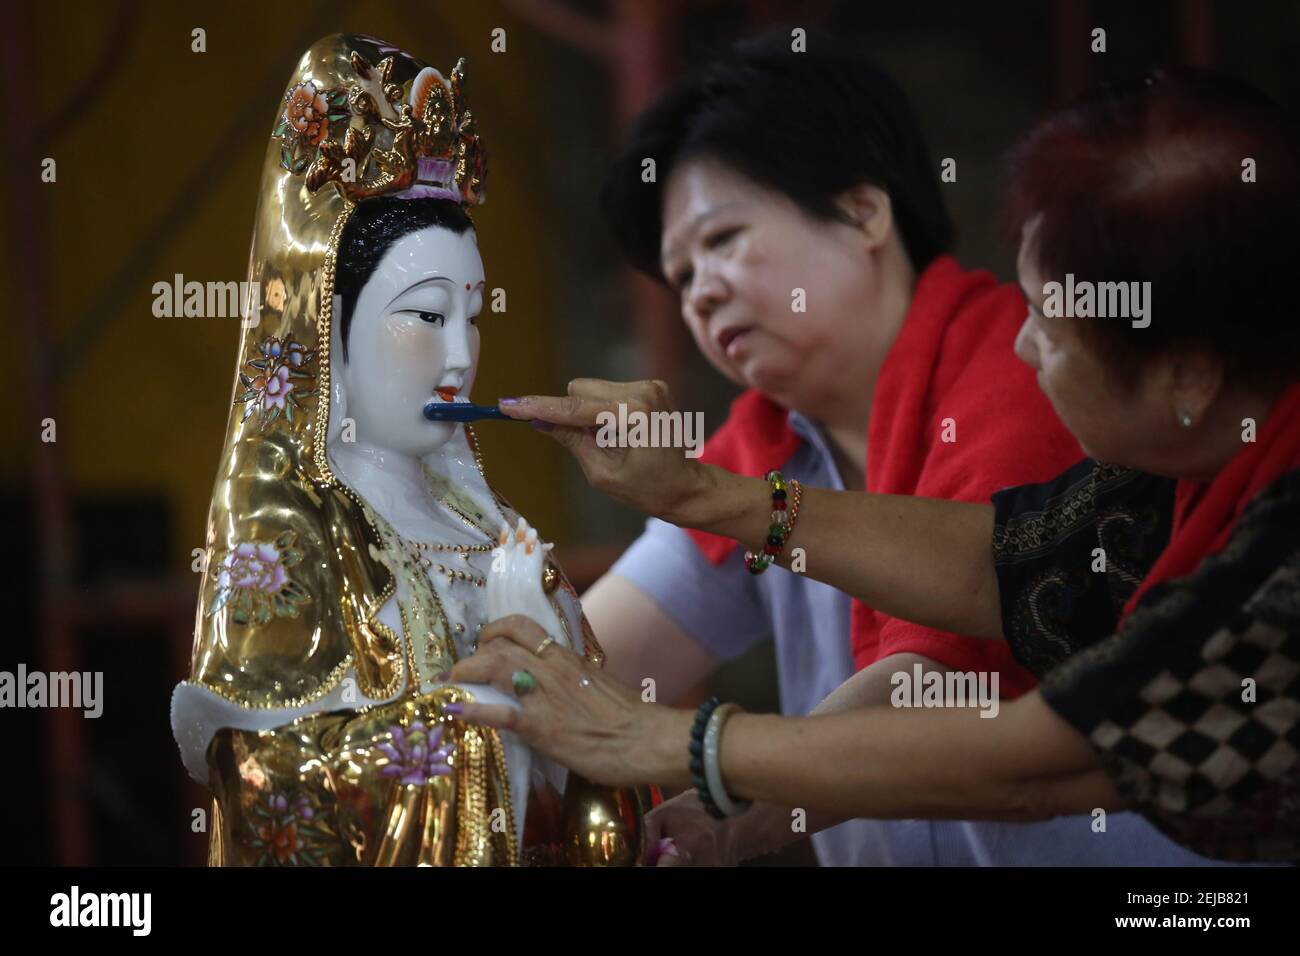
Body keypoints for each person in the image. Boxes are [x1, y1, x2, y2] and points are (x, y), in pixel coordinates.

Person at [450, 66, 1300, 864]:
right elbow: (999, 564)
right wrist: (690, 495)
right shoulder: (767, 441)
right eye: (681, 274)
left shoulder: (1264, 563)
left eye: (725, 239)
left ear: (863, 214)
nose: (1025, 341)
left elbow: (1028, 752)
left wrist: (678, 745)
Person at [170, 32, 639, 867]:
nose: (460, 356)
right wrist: (503, 708)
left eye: (475, 315)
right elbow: (265, 784)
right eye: (425, 316)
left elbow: (614, 766)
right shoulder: (286, 539)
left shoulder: (499, 533)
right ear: (328, 331)